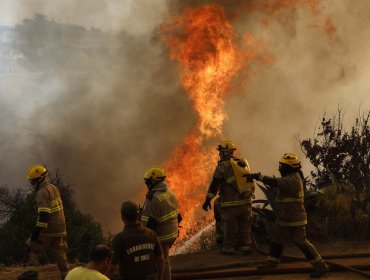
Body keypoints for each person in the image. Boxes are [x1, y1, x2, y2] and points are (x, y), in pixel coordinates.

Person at [245, 153, 329, 278]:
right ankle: (272, 262)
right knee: (277, 239)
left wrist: (258, 176)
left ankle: (321, 266)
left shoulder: (292, 179)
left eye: (282, 166)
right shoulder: (293, 176)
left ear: (289, 168)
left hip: (294, 218)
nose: (279, 168)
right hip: (285, 217)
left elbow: (274, 182)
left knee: (302, 242)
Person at [202, 140, 255, 255]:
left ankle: (228, 249)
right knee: (244, 226)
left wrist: (207, 200)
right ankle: (246, 247)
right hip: (246, 202)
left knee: (229, 227)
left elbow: (214, 184)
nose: (219, 154)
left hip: (231, 204)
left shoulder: (223, 166)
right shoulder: (242, 163)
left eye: (220, 152)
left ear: (225, 152)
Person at [18, 164, 69, 280]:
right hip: (60, 229)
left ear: (39, 179)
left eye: (33, 182)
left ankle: (31, 274)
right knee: (61, 256)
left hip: (48, 229)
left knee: (32, 248)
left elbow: (44, 215)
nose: (32, 184)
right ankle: (67, 277)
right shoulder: (53, 188)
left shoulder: (42, 192)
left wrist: (36, 232)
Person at [141, 166, 181, 280]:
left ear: (153, 182)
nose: (146, 185)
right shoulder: (171, 193)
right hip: (173, 233)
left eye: (147, 182)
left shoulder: (152, 199)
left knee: (158, 262)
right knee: (165, 259)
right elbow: (179, 216)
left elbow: (148, 224)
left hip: (162, 237)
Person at [108, 200, 165, 280]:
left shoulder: (119, 238)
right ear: (138, 215)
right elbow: (161, 260)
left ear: (122, 217)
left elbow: (111, 267)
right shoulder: (151, 234)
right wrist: (160, 278)